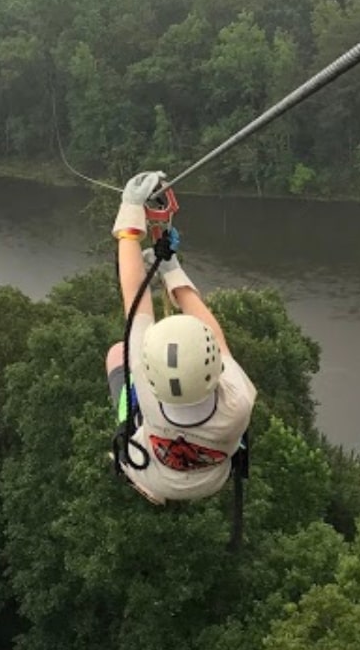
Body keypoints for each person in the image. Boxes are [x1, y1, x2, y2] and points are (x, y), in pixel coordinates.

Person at [106, 170, 257, 504]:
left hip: (150, 473)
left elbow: (135, 300)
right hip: (211, 479)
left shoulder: (146, 387)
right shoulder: (239, 402)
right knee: (124, 352)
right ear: (212, 365)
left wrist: (130, 214)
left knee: (118, 353)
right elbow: (219, 341)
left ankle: (126, 430)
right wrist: (172, 272)